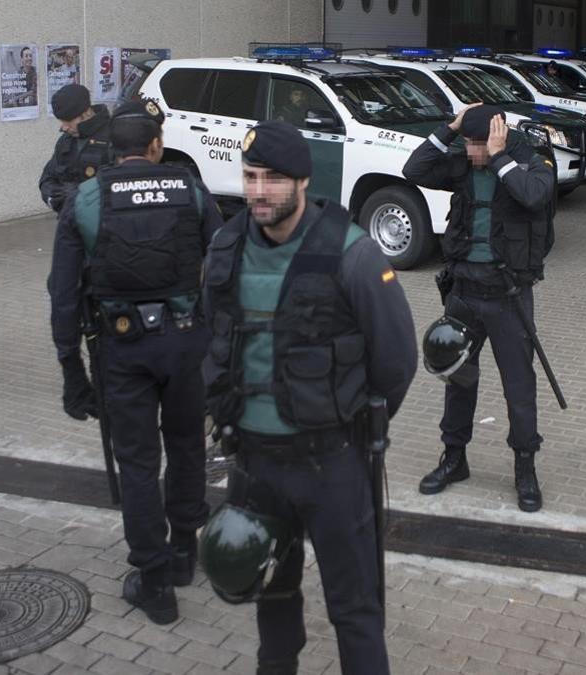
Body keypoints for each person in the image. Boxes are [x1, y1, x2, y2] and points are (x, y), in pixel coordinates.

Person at [200, 120, 416, 673]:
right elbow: (211, 338)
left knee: (356, 609)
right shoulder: (224, 247)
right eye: (250, 177)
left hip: (333, 465)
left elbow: (395, 362)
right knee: (272, 595)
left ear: (301, 181)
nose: (258, 191)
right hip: (253, 465)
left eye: (272, 179)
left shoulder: (354, 255)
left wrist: (349, 420)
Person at [47, 99, 222, 625]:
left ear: (110, 150)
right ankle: (185, 553)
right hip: (187, 344)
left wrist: (71, 371)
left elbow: (61, 294)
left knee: (139, 464)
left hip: (121, 350)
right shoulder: (190, 190)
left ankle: (155, 584)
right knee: (188, 446)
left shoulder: (84, 199)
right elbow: (226, 262)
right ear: (155, 146)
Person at [403, 103, 556, 513]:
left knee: (519, 387)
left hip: (509, 297)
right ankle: (454, 459)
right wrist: (452, 127)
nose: (470, 152)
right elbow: (413, 171)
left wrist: (501, 155)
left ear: (497, 137)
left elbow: (534, 195)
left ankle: (525, 466)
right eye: (467, 144)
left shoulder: (531, 162)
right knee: (459, 379)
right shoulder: (464, 162)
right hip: (465, 293)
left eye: (476, 144)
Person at [40, 84, 113, 212]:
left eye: (68, 121)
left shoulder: (114, 136)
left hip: (102, 222)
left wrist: (78, 195)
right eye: (62, 121)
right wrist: (52, 196)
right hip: (69, 222)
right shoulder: (66, 140)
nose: (64, 127)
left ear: (86, 113)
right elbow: (47, 178)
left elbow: (122, 187)